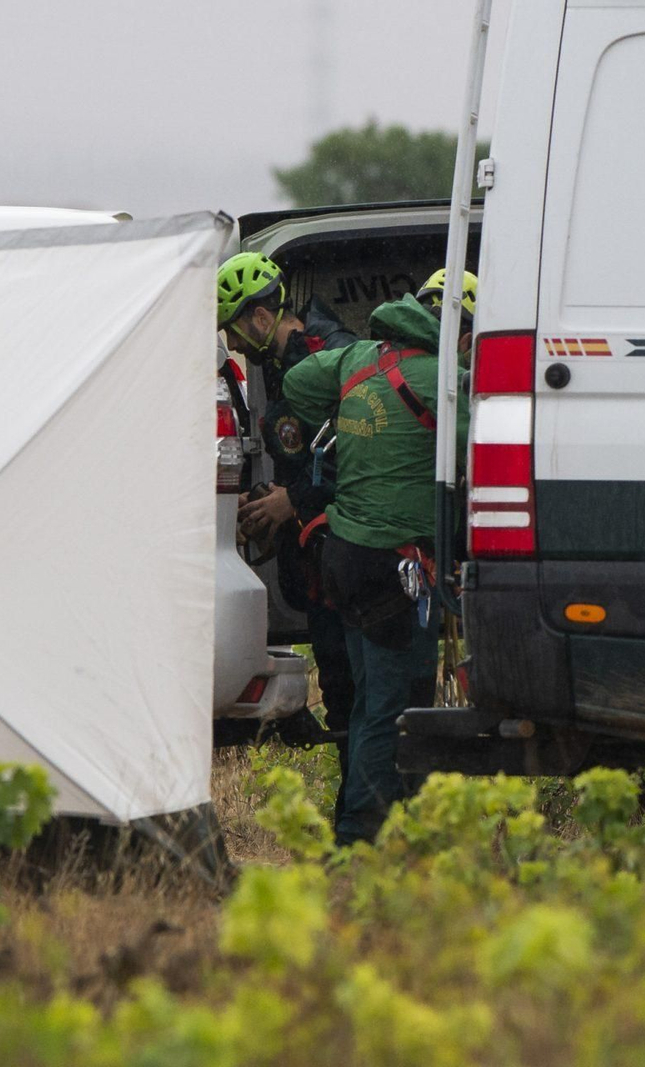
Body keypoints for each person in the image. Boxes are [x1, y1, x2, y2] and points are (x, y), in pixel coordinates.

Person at [281, 280, 474, 846]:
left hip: (343, 558)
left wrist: (345, 412)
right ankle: (360, 839)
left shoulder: (360, 359)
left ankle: (398, 826)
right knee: (392, 707)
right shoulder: (440, 384)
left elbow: (295, 380)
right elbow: (479, 442)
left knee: (374, 699)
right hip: (397, 570)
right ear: (460, 331)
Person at [215, 251, 359, 812]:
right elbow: (303, 459)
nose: (234, 345)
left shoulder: (330, 356)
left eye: (233, 329)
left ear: (256, 318)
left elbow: (354, 456)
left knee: (355, 690)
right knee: (342, 690)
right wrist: (270, 503)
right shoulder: (278, 368)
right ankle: (356, 817)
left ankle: (363, 823)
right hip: (316, 554)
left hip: (347, 548)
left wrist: (291, 501)